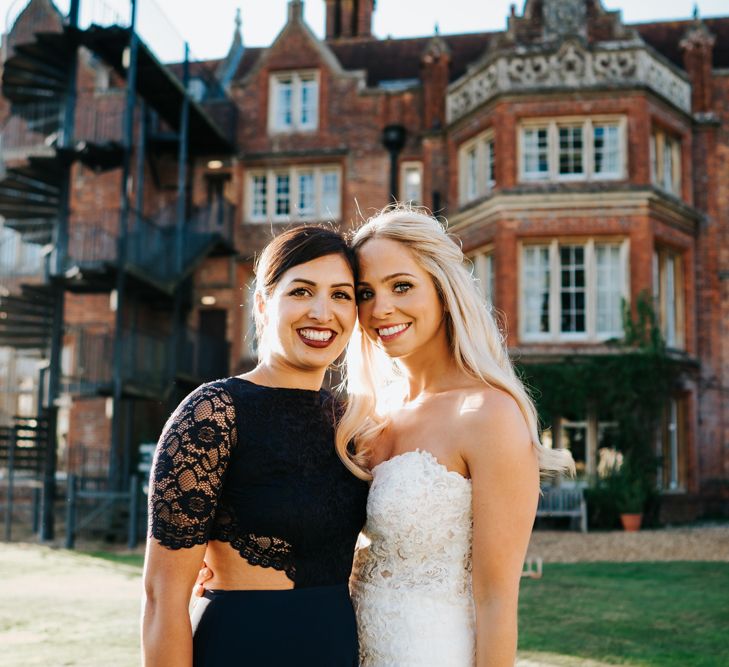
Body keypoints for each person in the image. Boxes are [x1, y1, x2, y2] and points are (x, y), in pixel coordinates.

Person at [335, 207, 574, 666]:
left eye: (401, 286)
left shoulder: (488, 414)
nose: (381, 308)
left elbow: (497, 599)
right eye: (365, 293)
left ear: (443, 290)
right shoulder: (369, 417)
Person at [142, 225, 369, 667]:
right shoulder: (213, 412)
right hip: (243, 648)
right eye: (302, 292)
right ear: (263, 305)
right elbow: (161, 600)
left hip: (335, 649)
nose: (323, 312)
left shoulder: (351, 423)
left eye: (341, 295)